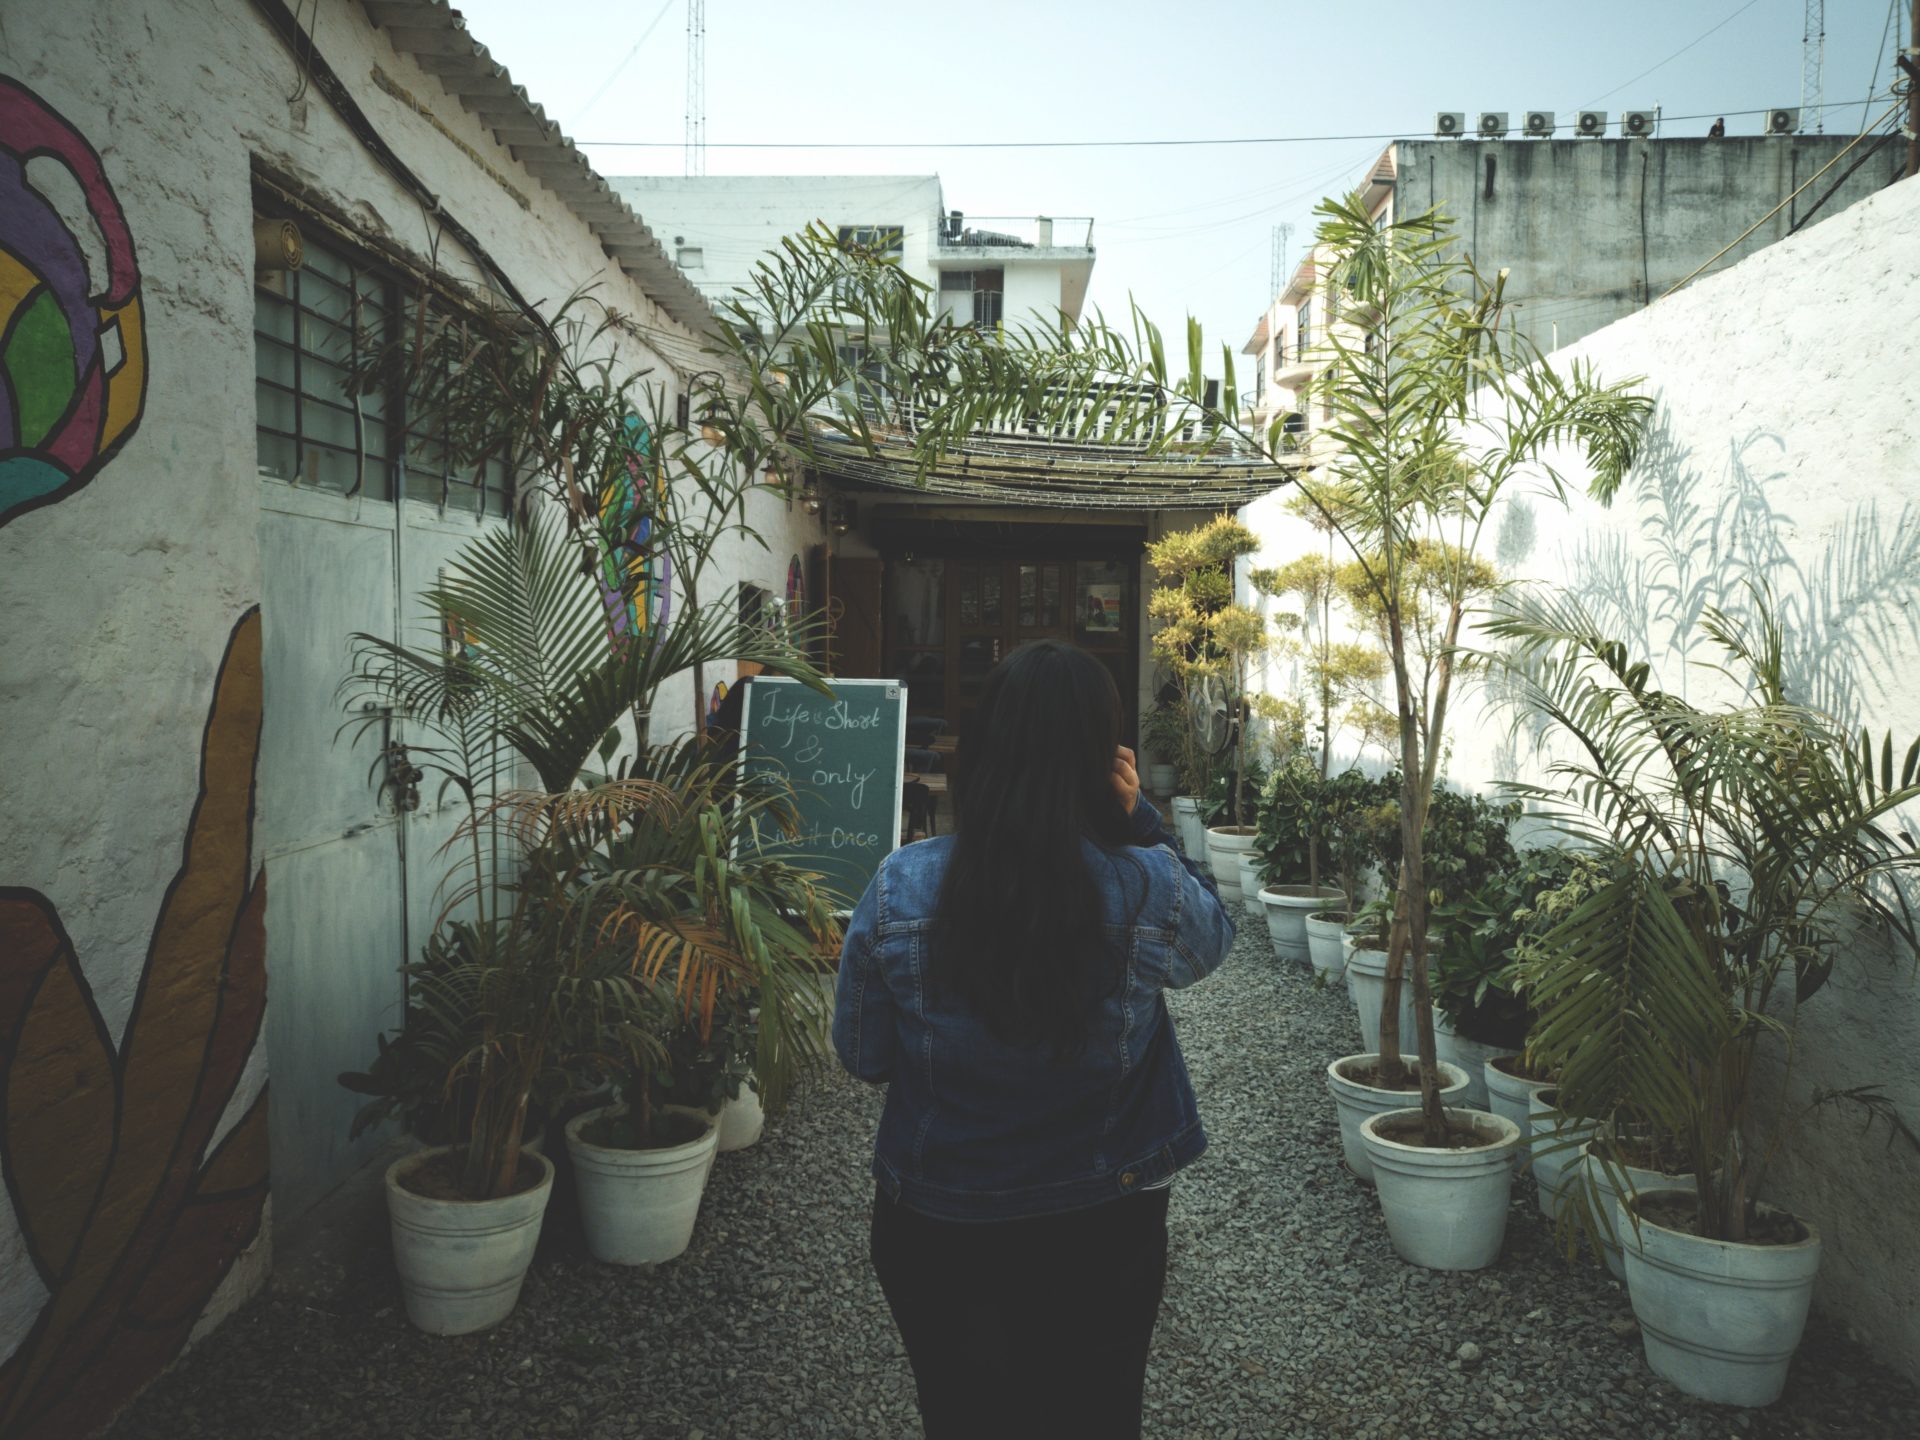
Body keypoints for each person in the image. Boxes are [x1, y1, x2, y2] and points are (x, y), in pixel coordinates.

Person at [832, 639, 1236, 1438]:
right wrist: (1142, 822)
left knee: (963, 1417)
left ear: (981, 751)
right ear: (1101, 762)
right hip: (1105, 1222)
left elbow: (864, 1056)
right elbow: (1211, 940)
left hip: (939, 1220)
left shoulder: (899, 885)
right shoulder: (1144, 883)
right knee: (1098, 1413)